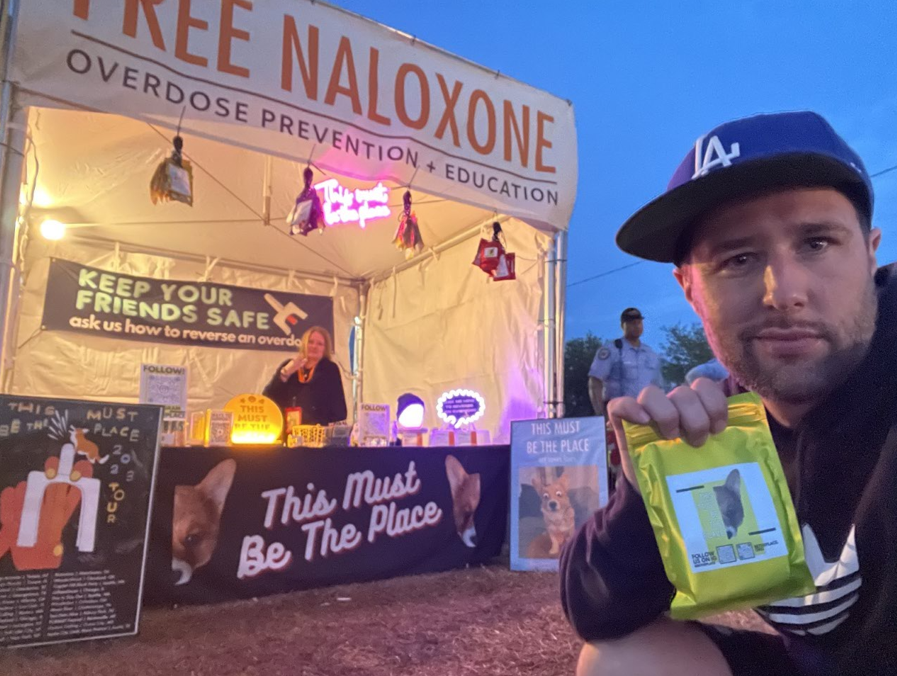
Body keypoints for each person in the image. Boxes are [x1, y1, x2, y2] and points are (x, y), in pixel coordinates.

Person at [560, 111, 897, 676]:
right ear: (689, 289)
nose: (783, 292)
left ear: (870, 253)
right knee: (621, 662)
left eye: (816, 243)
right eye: (738, 259)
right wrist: (646, 497)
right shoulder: (713, 428)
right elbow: (595, 609)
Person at [262, 326, 347, 426]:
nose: (314, 346)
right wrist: (284, 375)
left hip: (317, 432)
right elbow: (268, 398)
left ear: (325, 348)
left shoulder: (329, 369)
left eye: (320, 344)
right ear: (304, 344)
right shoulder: (290, 365)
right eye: (310, 342)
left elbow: (339, 410)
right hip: (290, 430)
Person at [588, 308, 664, 418]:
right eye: (632, 323)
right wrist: (600, 414)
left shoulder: (650, 353)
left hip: (647, 414)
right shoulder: (612, 349)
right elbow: (595, 381)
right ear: (623, 326)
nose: (637, 326)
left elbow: (658, 387)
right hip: (619, 414)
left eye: (639, 323)